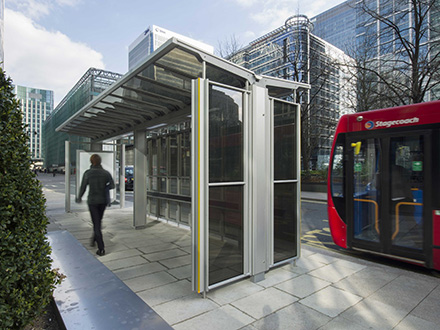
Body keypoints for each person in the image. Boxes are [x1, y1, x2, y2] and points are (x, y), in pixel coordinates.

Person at [76, 154, 115, 256]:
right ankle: (93, 240)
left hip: (93, 201)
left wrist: (79, 197)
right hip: (103, 201)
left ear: (91, 162)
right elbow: (112, 185)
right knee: (98, 221)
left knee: (96, 223)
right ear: (100, 161)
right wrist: (104, 187)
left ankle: (101, 248)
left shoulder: (88, 173)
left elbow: (83, 187)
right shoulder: (105, 173)